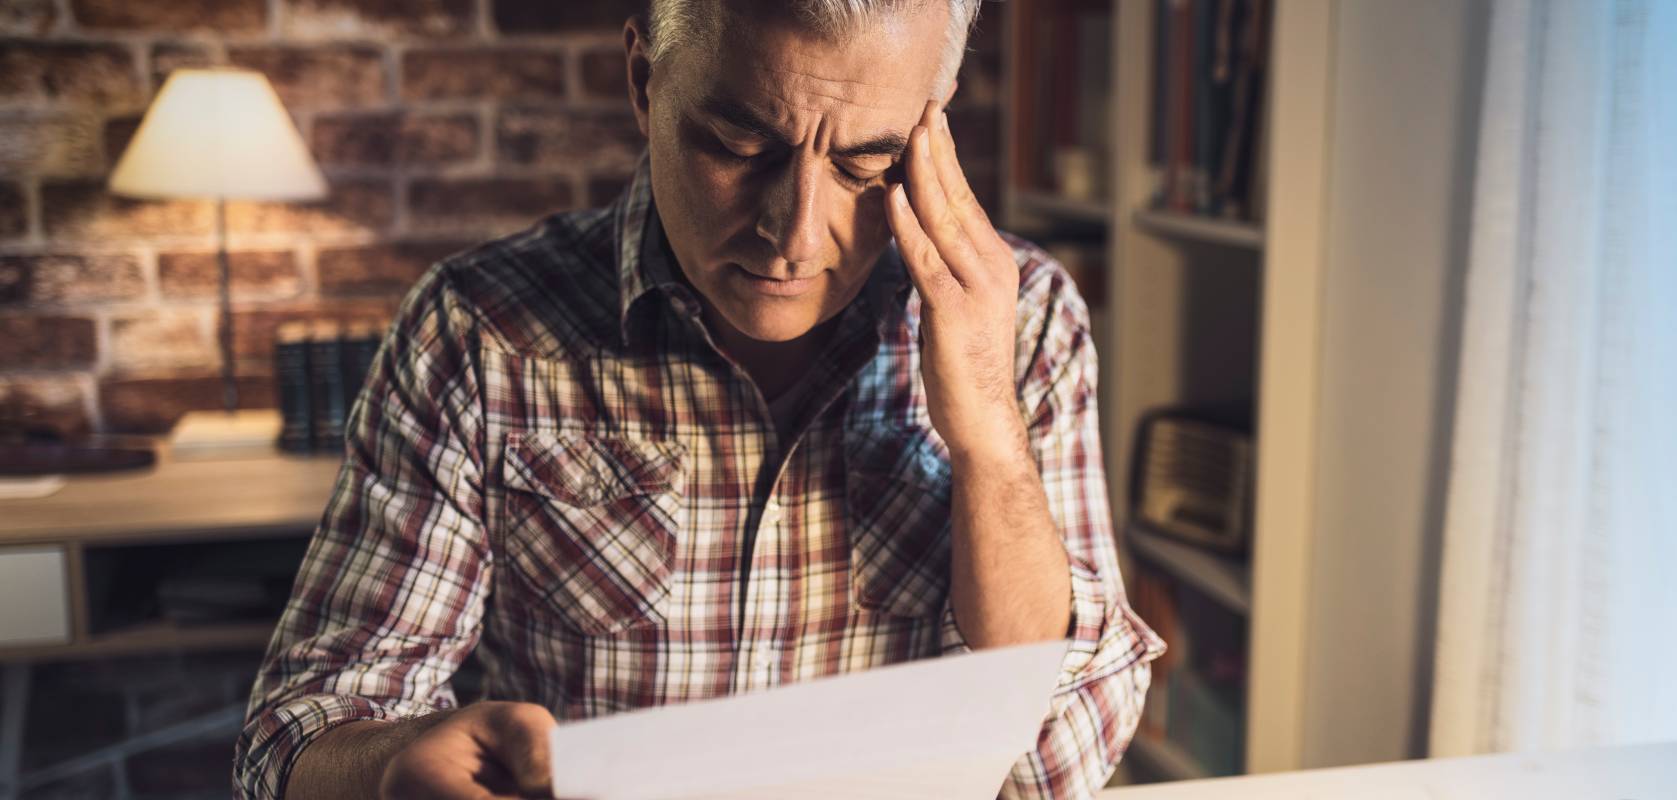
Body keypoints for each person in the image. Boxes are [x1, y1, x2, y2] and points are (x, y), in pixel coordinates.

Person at [232, 1, 1165, 797]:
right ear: (644, 80)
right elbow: (293, 734)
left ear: (934, 125)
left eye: (865, 165)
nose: (794, 235)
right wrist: (393, 760)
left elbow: (1060, 767)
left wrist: (987, 438)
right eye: (739, 143)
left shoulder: (1027, 320)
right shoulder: (479, 331)